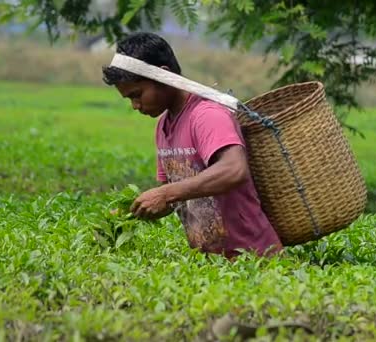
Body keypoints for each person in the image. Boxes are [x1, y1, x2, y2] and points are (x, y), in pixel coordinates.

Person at [101, 32, 283, 258]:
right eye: (129, 98)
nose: (135, 105)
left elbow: (234, 170)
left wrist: (166, 193)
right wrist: (131, 210)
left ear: (163, 76)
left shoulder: (206, 115)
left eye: (137, 94)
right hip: (213, 264)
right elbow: (173, 197)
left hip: (254, 259)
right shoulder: (163, 125)